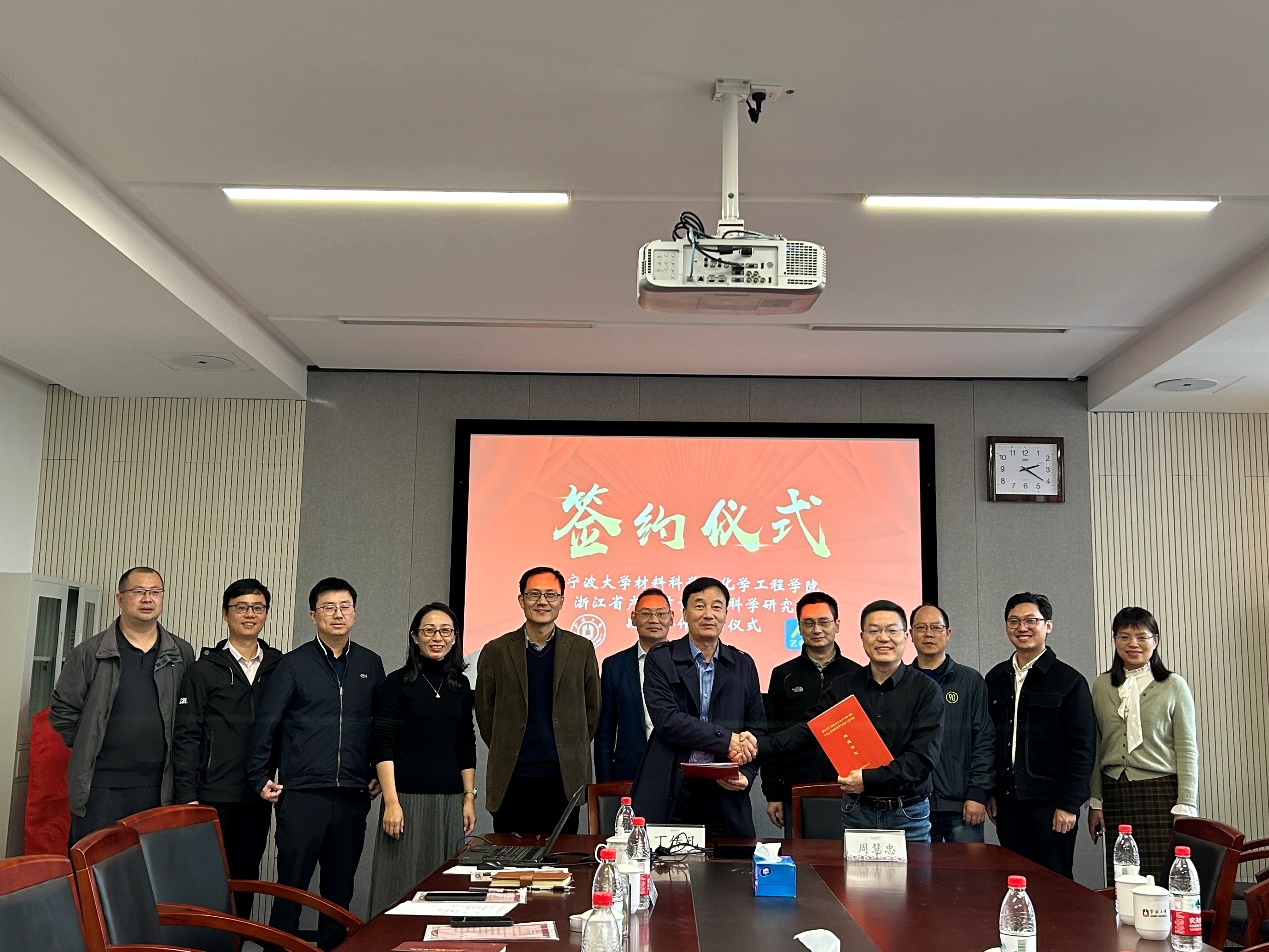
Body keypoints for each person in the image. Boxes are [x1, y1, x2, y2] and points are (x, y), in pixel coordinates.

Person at [247, 577, 385, 951]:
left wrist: (376, 770)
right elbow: (268, 722)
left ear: (354, 612)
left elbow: (380, 725)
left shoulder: (370, 664)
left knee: (339, 892)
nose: (337, 614)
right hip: (302, 795)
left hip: (352, 794)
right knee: (291, 887)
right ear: (313, 615)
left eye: (345, 606)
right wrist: (259, 775)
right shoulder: (293, 664)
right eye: (328, 607)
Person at [751, 599, 942, 841]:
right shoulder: (844, 686)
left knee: (913, 869)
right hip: (857, 812)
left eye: (892, 630)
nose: (883, 638)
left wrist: (868, 779)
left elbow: (922, 759)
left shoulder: (926, 690)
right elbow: (809, 731)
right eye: (874, 630)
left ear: (906, 636)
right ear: (862, 637)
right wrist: (757, 745)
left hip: (908, 814)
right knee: (847, 869)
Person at [51, 566, 195, 845]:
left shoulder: (181, 652)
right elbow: (62, 711)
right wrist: (89, 743)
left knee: (152, 865)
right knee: (96, 861)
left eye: (155, 592)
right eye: (138, 591)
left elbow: (189, 714)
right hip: (101, 785)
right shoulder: (90, 652)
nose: (147, 598)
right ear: (120, 598)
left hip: (161, 786)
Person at [172, 578, 282, 918]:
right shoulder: (203, 670)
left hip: (258, 793)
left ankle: (239, 939)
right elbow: (187, 735)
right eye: (241, 607)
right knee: (208, 879)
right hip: (212, 794)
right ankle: (206, 941)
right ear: (225, 613)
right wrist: (187, 794)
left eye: (258, 607)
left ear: (266, 614)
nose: (250, 614)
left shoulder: (280, 666)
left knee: (246, 877)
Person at [631, 576, 766, 839]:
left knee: (731, 863)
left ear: (726, 614)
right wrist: (726, 740)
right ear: (684, 613)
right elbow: (667, 720)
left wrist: (747, 774)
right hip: (672, 786)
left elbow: (757, 729)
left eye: (716, 607)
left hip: (725, 789)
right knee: (664, 862)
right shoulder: (661, 658)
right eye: (699, 606)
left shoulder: (742, 664)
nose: (708, 614)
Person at [475, 566, 601, 834]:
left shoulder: (581, 649)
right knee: (509, 856)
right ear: (521, 600)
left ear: (561, 601)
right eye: (534, 594)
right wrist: (505, 744)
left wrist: (569, 745)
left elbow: (592, 709)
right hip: (512, 778)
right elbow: (485, 712)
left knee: (561, 856)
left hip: (563, 779)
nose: (542, 601)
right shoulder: (496, 650)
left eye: (550, 595)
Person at [369, 602, 476, 914]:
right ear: (415, 637)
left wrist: (468, 797)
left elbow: (465, 743)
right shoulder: (396, 683)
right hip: (406, 801)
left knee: (446, 891)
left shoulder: (460, 685)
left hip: (450, 801)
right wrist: (391, 802)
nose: (437, 637)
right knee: (399, 887)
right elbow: (383, 745)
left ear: (454, 637)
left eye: (445, 631)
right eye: (429, 631)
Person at [985, 592, 1095, 880]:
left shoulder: (1069, 681)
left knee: (1054, 883)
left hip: (1051, 805)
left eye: (1030, 620)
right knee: (1014, 881)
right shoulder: (995, 678)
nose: (1022, 628)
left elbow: (1082, 748)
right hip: (1008, 803)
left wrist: (1069, 804)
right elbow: (988, 741)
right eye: (1014, 621)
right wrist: (991, 791)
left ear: (1048, 626)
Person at [1087, 606, 1198, 883]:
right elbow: (1096, 744)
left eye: (1141, 636)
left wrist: (1185, 804)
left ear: (1155, 640)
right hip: (1115, 791)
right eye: (1124, 636)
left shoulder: (1173, 685)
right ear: (1114, 641)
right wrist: (1096, 801)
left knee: (1163, 878)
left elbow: (1186, 748)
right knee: (1123, 877)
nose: (1133, 644)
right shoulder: (1101, 685)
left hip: (1160, 793)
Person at [761, 591, 860, 836]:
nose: (817, 629)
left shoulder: (856, 675)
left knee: (848, 857)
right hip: (796, 787)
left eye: (824, 621)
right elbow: (772, 735)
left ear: (837, 625)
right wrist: (773, 794)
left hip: (849, 788)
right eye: (809, 623)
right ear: (799, 627)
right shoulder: (783, 675)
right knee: (800, 856)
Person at [910, 603, 995, 843]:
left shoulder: (970, 681)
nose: (929, 634)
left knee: (967, 869)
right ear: (910, 634)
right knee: (917, 868)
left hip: (962, 805)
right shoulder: (903, 682)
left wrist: (978, 793)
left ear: (948, 633)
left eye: (936, 627)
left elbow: (984, 739)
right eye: (921, 627)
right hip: (913, 806)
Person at [594, 587, 674, 783]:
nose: (653, 620)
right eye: (645, 613)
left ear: (671, 617)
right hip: (628, 771)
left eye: (661, 613)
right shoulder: (614, 666)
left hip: (676, 771)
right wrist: (605, 784)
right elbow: (605, 732)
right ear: (633, 618)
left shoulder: (686, 663)